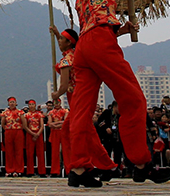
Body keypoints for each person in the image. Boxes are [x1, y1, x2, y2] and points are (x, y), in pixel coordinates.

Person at [65, 0, 170, 187]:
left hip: (85, 49)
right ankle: (141, 162)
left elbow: (93, 25)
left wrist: (120, 30)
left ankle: (78, 169)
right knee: (133, 99)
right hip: (100, 43)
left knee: (81, 110)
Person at [49, 26, 118, 179]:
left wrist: (56, 94)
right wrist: (56, 33)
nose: (59, 41)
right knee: (75, 131)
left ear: (69, 42)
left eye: (61, 39)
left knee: (81, 131)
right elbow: (65, 44)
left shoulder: (67, 60)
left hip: (76, 98)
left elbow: (64, 85)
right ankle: (91, 166)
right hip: (80, 97)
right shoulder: (76, 54)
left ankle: (86, 167)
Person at [0, 97, 25, 176]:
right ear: (8, 104)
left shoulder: (20, 112)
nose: (12, 104)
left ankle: (19, 170)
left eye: (13, 102)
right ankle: (10, 169)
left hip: (18, 131)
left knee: (19, 151)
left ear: (16, 103)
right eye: (10, 102)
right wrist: (8, 129)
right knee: (9, 151)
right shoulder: (5, 113)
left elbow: (24, 123)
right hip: (8, 132)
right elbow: (3, 123)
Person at [23, 100, 46, 177]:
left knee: (40, 153)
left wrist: (38, 134)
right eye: (30, 104)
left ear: (35, 105)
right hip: (30, 134)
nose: (31, 106)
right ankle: (30, 171)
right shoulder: (26, 115)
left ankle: (42, 171)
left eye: (33, 104)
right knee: (29, 154)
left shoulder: (39, 114)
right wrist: (32, 134)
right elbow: (25, 126)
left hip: (38, 134)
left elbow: (42, 125)